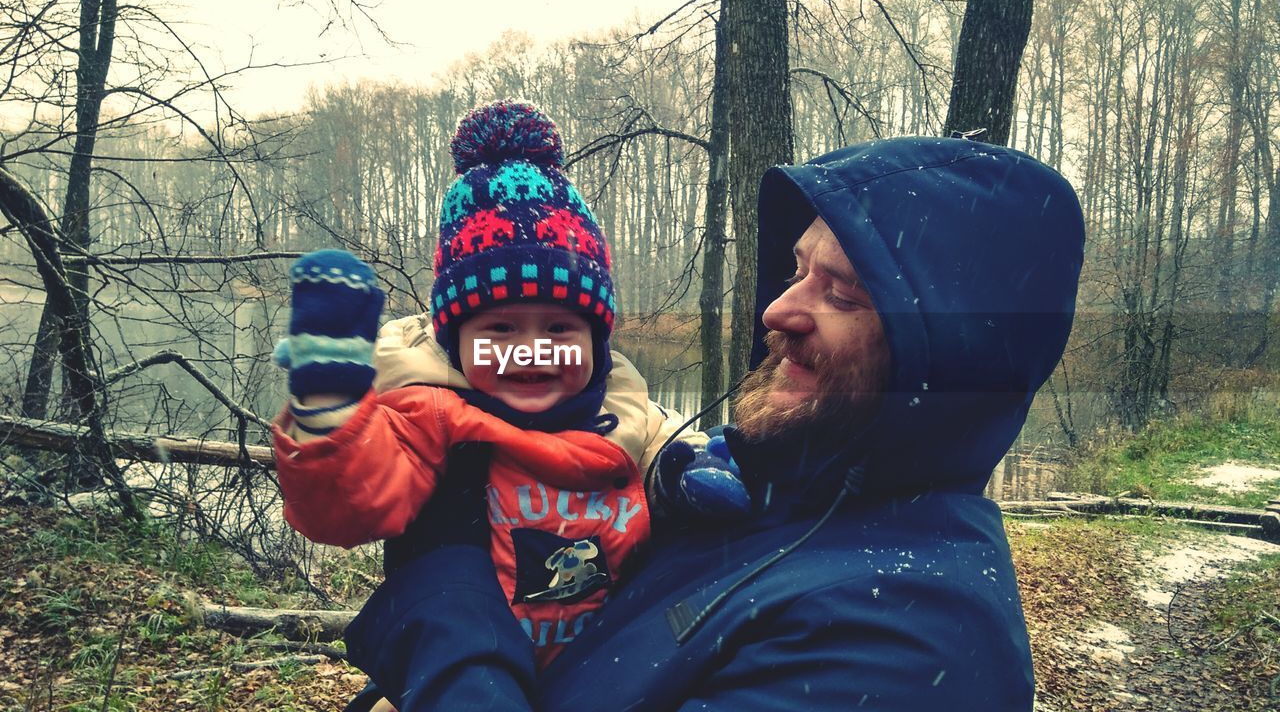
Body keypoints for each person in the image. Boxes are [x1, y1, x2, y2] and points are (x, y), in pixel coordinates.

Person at [342, 134, 1086, 711]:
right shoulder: (789, 488)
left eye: (845, 294)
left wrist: (443, 580)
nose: (778, 310)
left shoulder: (911, 644)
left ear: (949, 353)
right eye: (798, 271)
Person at [271, 102, 747, 710]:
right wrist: (331, 407)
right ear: (455, 341)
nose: (532, 352)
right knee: (450, 612)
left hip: (597, 664)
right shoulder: (430, 414)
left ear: (599, 342)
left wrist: (687, 475)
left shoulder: (628, 413)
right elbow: (347, 503)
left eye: (559, 327)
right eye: (499, 329)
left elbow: (663, 454)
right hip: (463, 671)